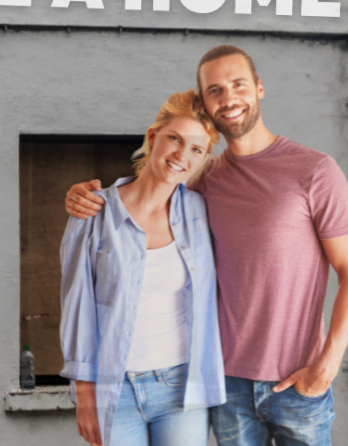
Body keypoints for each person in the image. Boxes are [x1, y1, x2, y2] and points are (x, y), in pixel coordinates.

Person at [65, 45, 348, 446]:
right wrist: (82, 198)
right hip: (225, 386)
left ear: (259, 88)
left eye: (238, 85)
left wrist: (326, 367)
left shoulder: (315, 170)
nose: (229, 98)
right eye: (215, 91)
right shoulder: (203, 181)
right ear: (207, 106)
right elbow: (153, 189)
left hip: (298, 382)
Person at [60, 89, 226, 446]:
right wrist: (85, 395)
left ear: (203, 159)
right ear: (153, 137)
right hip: (114, 389)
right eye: (175, 140)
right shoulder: (94, 211)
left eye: (196, 149)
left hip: (181, 389)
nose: (182, 155)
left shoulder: (201, 210)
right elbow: (77, 307)